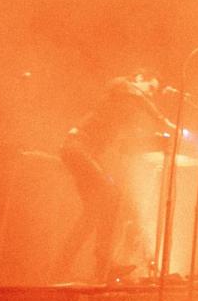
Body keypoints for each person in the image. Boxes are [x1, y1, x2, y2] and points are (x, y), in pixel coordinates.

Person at [54, 71, 174, 284]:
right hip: (76, 148)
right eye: (151, 88)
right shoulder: (120, 84)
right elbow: (138, 97)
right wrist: (161, 119)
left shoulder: (123, 110)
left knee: (91, 214)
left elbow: (128, 139)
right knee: (111, 195)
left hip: (83, 152)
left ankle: (61, 267)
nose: (151, 95)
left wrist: (157, 140)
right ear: (138, 78)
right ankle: (103, 264)